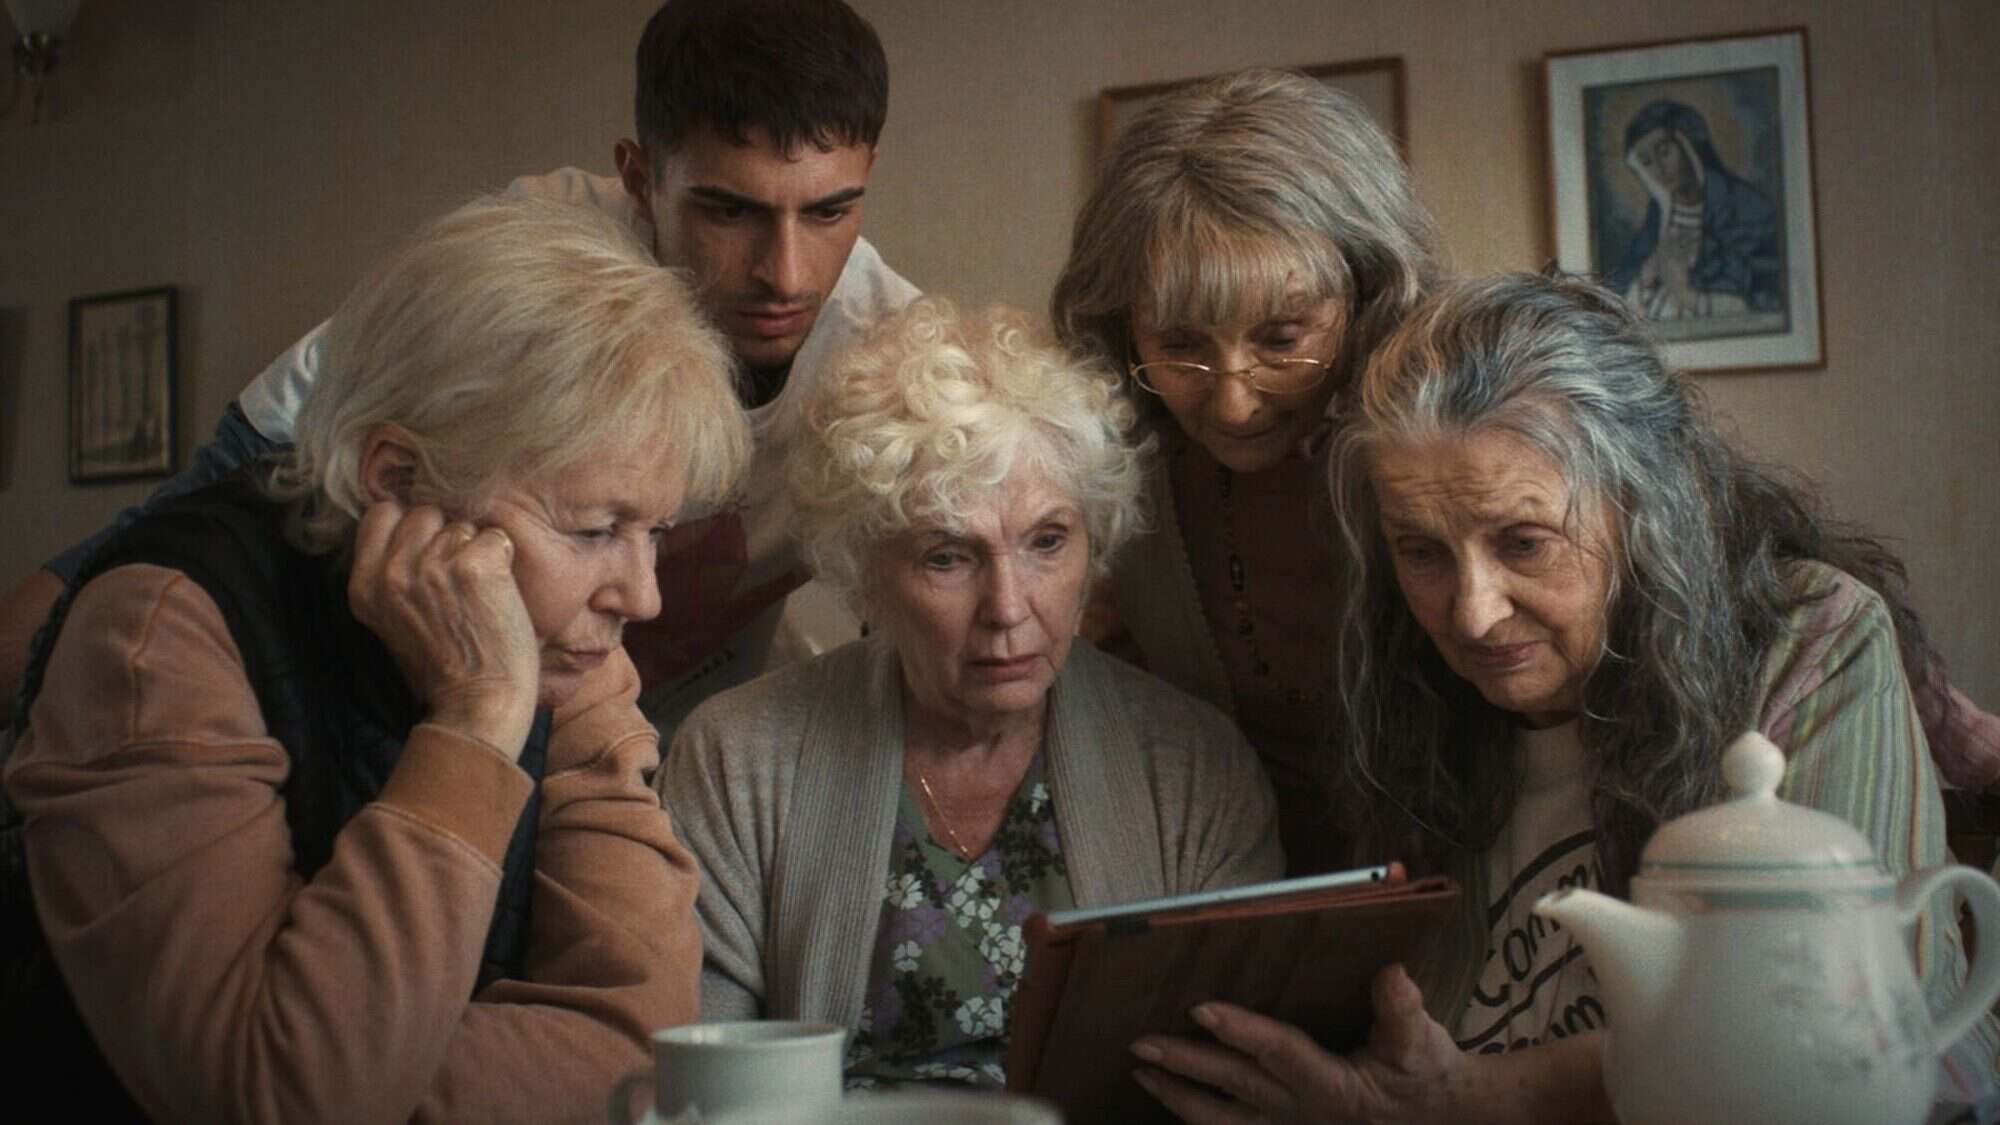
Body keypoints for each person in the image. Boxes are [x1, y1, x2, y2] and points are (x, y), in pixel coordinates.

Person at [1127, 272, 2000, 1123]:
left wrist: (1472, 1100)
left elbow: (1856, 1037)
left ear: (1647, 510)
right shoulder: (1405, 682)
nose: (1471, 613)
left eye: (1525, 542)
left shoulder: (1809, 637)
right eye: (1422, 552)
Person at [3, 195, 752, 1121]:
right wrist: (477, 718)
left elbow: (641, 1038)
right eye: (596, 529)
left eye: (655, 533)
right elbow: (282, 1093)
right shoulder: (158, 635)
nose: (643, 597)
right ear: (397, 479)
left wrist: (383, 1079)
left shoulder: (572, 645)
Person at [0, 0, 916, 735]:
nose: (786, 273)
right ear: (638, 176)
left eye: (831, 212)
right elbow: (198, 510)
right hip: (436, 713)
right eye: (729, 212)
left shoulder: (899, 362)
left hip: (656, 759)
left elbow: (923, 637)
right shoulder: (519, 269)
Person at [657, 298, 1283, 1089]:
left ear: (1097, 542)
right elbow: (707, 1085)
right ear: (864, 568)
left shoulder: (1193, 771)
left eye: (1047, 542)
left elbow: (1231, 1081)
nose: (1010, 607)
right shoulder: (739, 758)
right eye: (948, 557)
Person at [1050, 68, 1441, 874]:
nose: (1231, 405)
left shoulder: (1450, 459)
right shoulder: (1114, 474)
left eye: (1282, 338)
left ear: (1368, 295)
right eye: (1182, 345)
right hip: (1230, 906)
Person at [1604, 99, 1782, 322]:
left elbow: (1765, 301)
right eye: (1647, 162)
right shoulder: (1657, 219)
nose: (1659, 168)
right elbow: (1620, 309)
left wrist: (1686, 295)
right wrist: (1646, 275)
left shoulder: (1748, 208)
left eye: (1664, 151)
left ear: (1688, 144)